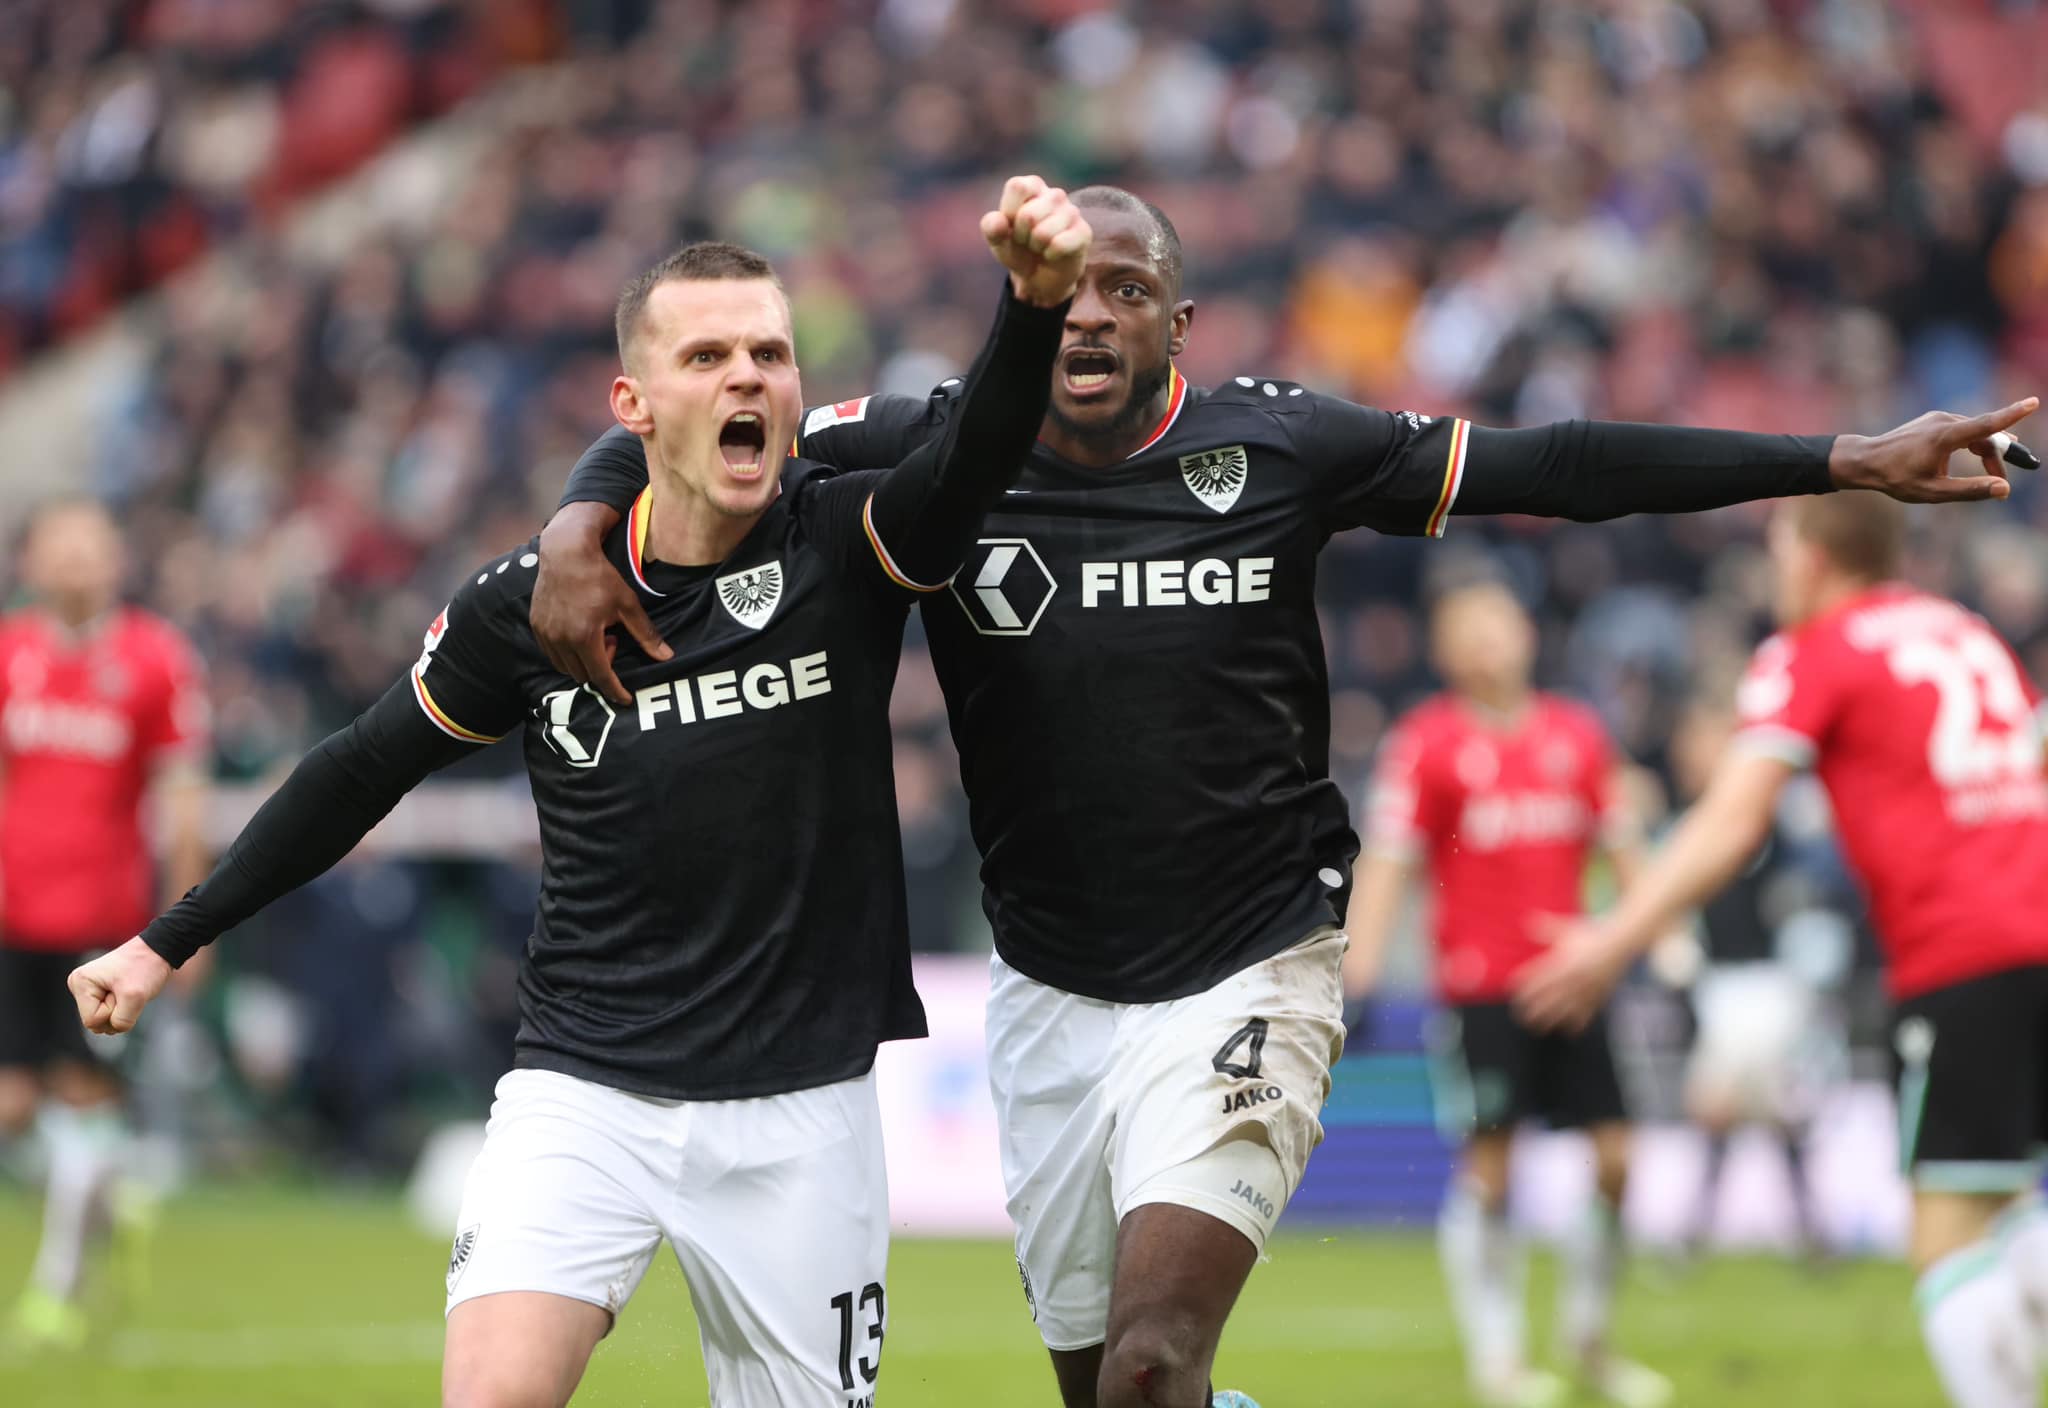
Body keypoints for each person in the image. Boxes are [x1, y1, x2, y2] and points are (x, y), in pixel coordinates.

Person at [532, 182, 2036, 1408]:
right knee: (1108, 1394)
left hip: (1251, 965)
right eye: (1072, 289)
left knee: (1147, 1366)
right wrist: (577, 521)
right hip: (1051, 995)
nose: (1093, 314)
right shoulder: (933, 443)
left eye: (1130, 290)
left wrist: (1841, 457)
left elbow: (1560, 464)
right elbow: (708, 413)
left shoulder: (1280, 443)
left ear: (1176, 324)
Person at [67, 175, 1088, 1407]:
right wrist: (167, 939)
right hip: (583, 1089)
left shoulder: (844, 541)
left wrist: (1033, 304)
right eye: (705, 356)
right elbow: (359, 768)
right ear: (633, 402)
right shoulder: (531, 603)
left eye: (767, 353)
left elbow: (979, 444)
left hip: (801, 1107)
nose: (745, 376)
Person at [1516, 492, 2048, 1408]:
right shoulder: (1963, 630)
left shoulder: (1812, 651)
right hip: (2033, 931)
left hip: (1965, 954)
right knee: (2002, 1202)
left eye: (1777, 547)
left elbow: (1733, 818)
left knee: (1947, 1230)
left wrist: (1614, 938)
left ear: (1810, 554)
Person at [1341, 579, 1667, 1408]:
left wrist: (1664, 950)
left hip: (1578, 980)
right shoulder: (1428, 742)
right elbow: (1390, 863)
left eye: (1501, 624)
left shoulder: (1577, 732)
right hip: (1482, 991)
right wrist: (1360, 973)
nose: (1490, 640)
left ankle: (1589, 1338)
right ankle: (1500, 1357)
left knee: (1618, 1160)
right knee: (1491, 1171)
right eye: (1470, 629)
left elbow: (1625, 849)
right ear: (1445, 650)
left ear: (1527, 634)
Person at [0, 497, 210, 1349]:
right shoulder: (9, 652)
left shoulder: (155, 659)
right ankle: (112, 1189)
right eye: (61, 547)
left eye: (90, 546)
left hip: (102, 924)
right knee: (15, 1105)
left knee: (84, 1096)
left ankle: (56, 1292)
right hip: (13, 916)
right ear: (32, 560)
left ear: (117, 559)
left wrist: (188, 924)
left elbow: (183, 802)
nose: (75, 562)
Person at [1664, 697, 1829, 1263]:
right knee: (1740, 1110)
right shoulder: (1693, 820)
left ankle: (1712, 1231)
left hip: (1764, 984)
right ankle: (1804, 1231)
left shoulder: (1764, 819)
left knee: (1739, 1107)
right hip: (1717, 984)